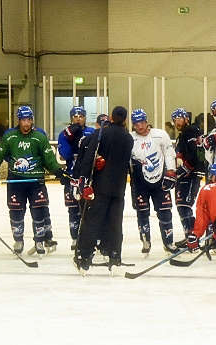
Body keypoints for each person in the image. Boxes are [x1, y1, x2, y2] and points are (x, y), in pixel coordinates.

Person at [0, 105, 70, 255]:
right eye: (23, 120)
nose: (26, 123)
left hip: (35, 182)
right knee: (16, 211)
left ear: (32, 120)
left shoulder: (39, 136)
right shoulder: (10, 136)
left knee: (39, 211)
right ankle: (18, 239)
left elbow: (49, 159)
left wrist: (58, 171)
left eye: (29, 120)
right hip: (16, 181)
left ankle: (39, 240)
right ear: (19, 120)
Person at [73, 106, 133, 272]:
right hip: (119, 188)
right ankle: (115, 255)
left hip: (100, 186)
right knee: (115, 222)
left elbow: (89, 158)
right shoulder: (128, 138)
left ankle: (84, 256)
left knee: (93, 221)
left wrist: (84, 182)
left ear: (111, 118)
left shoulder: (101, 134)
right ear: (125, 119)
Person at [129, 108, 177, 255]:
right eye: (136, 124)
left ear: (146, 121)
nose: (140, 126)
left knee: (165, 212)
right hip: (139, 182)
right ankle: (145, 240)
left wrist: (171, 171)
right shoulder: (130, 138)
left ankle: (168, 242)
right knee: (142, 212)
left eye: (142, 122)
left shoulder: (160, 134)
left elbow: (169, 153)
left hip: (160, 181)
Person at [57, 106, 95, 250]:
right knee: (73, 210)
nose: (78, 118)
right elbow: (65, 155)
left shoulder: (91, 132)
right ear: (71, 118)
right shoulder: (64, 134)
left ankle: (91, 238)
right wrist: (69, 137)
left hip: (89, 178)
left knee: (90, 209)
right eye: (75, 116)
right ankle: (75, 238)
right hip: (72, 177)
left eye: (81, 116)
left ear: (85, 118)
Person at [171, 107, 205, 246]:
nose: (177, 122)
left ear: (186, 118)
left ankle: (193, 238)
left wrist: (186, 168)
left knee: (184, 206)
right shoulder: (184, 133)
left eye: (179, 118)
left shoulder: (190, 130)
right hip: (186, 174)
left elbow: (196, 153)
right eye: (175, 119)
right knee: (182, 205)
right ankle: (190, 236)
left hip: (191, 174)